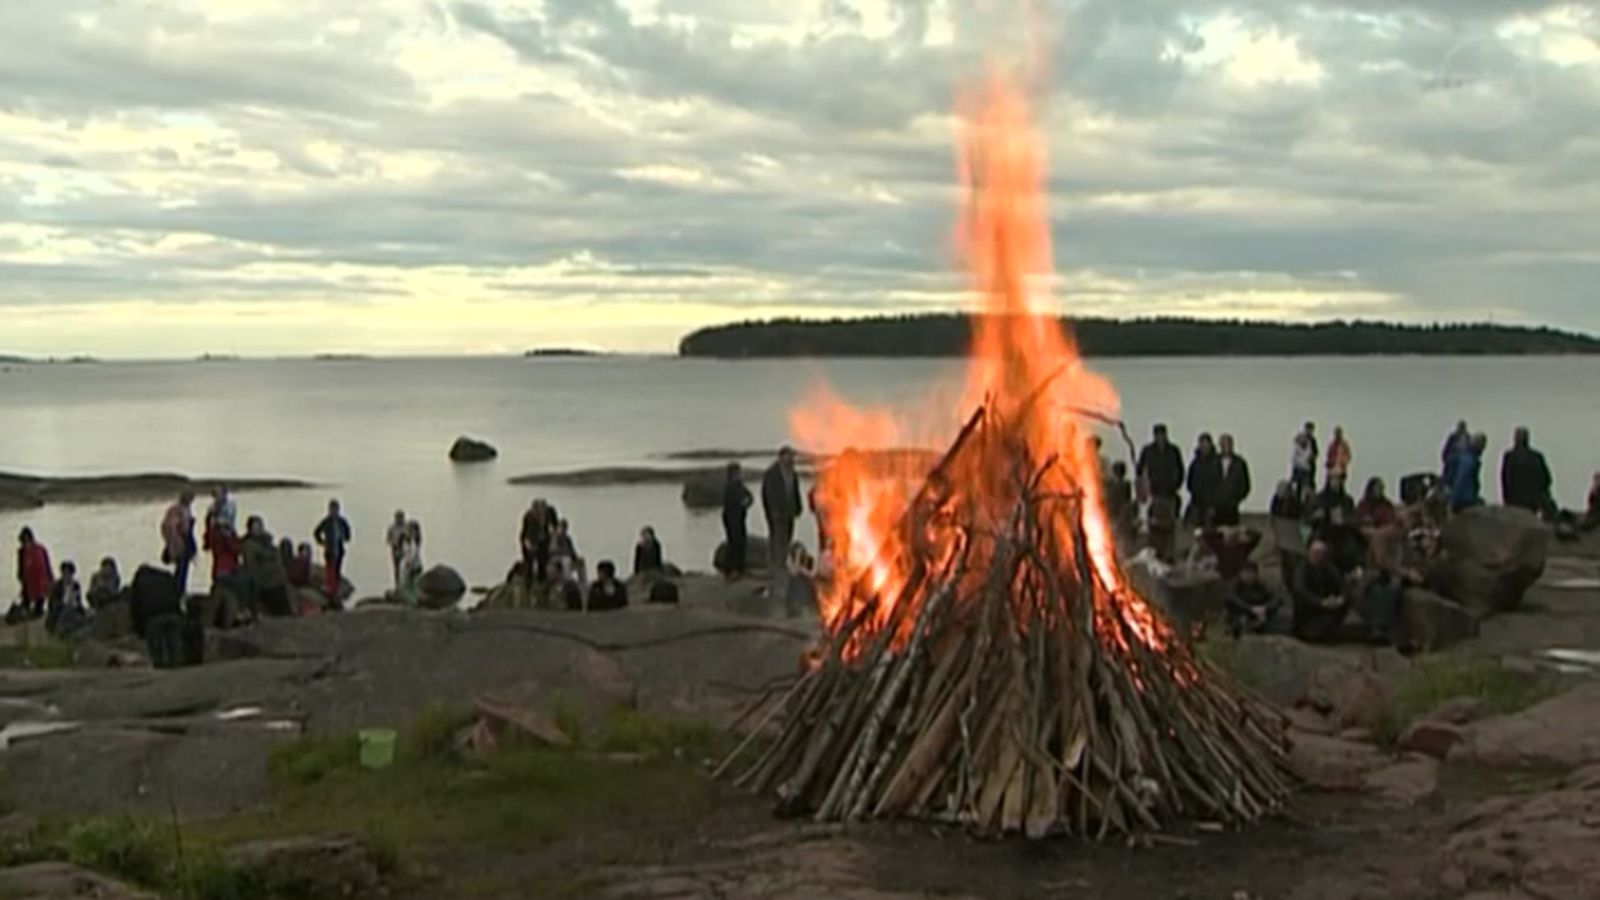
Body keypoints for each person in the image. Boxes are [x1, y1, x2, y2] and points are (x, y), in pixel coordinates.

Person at [1136, 424, 1185, 560]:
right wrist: (1144, 490)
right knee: (1155, 526)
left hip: (1170, 494)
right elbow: (1140, 470)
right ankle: (1156, 553)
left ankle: (1169, 555)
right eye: (1157, 435)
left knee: (1169, 526)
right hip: (1155, 494)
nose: (1160, 438)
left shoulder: (1173, 451)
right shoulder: (1148, 451)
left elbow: (1180, 470)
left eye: (1162, 435)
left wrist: (1176, 485)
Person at [762, 447, 803, 598]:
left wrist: (799, 507)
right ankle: (776, 567)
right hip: (777, 513)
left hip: (790, 512)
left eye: (792, 457)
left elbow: (795, 492)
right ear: (781, 457)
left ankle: (782, 564)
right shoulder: (772, 474)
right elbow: (768, 494)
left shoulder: (793, 474)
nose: (792, 460)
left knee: (787, 537)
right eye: (789, 456)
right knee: (777, 538)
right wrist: (772, 512)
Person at [1292, 540, 1350, 643]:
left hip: (1325, 601)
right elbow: (1299, 589)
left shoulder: (1328, 566)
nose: (1316, 556)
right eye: (1314, 552)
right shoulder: (1302, 567)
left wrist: (1340, 598)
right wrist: (1320, 602)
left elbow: (1341, 584)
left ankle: (1328, 632)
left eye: (1319, 553)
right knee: (1300, 600)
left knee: (1347, 601)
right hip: (1310, 603)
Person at [242, 516, 292, 618]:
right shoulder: (250, 545)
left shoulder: (267, 542)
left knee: (285, 605)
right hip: (266, 584)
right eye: (255, 528)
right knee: (278, 605)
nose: (258, 530)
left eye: (259, 526)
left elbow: (277, 557)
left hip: (277, 581)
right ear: (250, 530)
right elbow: (252, 567)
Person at [1500, 427, 1554, 518]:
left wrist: (1506, 500)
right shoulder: (1537, 457)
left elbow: (1505, 480)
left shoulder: (1509, 457)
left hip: (1514, 500)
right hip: (1533, 501)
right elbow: (1547, 479)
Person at [1225, 562, 1278, 637]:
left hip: (1259, 615)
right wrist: (1250, 609)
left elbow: (1274, 599)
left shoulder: (1261, 586)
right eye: (1245, 573)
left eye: (1251, 573)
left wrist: (1265, 608)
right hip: (1239, 614)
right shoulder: (1234, 585)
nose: (1248, 576)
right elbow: (1232, 599)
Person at [161, 491, 198, 595]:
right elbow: (169, 527)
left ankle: (181, 591)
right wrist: (174, 542)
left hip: (187, 539)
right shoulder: (175, 510)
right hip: (180, 539)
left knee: (184, 568)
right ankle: (177, 592)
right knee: (181, 568)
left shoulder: (187, 509)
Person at [721, 463, 754, 577]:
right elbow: (731, 501)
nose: (740, 475)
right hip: (731, 517)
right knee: (733, 542)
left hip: (740, 516)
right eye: (738, 473)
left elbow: (749, 496)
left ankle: (740, 568)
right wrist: (742, 502)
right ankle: (730, 569)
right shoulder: (730, 486)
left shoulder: (740, 485)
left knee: (741, 542)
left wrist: (747, 503)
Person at [1214, 434, 1251, 527]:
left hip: (1232, 507)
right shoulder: (1213, 462)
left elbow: (1245, 484)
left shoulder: (1239, 463)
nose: (1225, 447)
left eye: (1227, 444)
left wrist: (1236, 499)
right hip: (1215, 507)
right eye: (1222, 444)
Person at [1185, 433, 1221, 527]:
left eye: (1206, 445)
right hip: (1196, 503)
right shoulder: (1195, 463)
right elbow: (1190, 481)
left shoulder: (1217, 462)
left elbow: (1220, 483)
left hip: (1211, 504)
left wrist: (1215, 502)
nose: (1204, 447)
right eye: (1202, 445)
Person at [519, 499, 557, 587]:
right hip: (530, 539)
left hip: (544, 538)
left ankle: (543, 580)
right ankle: (528, 582)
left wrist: (553, 538)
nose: (540, 514)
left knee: (543, 560)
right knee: (529, 562)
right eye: (538, 513)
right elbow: (525, 535)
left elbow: (555, 526)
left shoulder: (550, 512)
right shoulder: (529, 517)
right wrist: (530, 545)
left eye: (541, 512)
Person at [15, 528, 53, 618]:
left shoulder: (40, 549)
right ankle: (27, 610)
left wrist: (50, 577)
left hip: (40, 578)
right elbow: (20, 565)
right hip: (28, 578)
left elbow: (47, 564)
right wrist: (20, 576)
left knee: (40, 597)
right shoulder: (22, 551)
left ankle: (37, 610)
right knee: (26, 597)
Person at [1449, 434, 1487, 513]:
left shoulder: (1460, 456)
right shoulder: (1470, 460)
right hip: (1464, 499)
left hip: (1457, 497)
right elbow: (1462, 480)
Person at [46, 561, 86, 635]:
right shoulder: (57, 586)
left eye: (69, 574)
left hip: (73, 609)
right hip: (59, 611)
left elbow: (78, 601)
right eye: (65, 573)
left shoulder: (76, 585)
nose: (67, 576)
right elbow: (52, 603)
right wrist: (65, 604)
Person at [1104, 461, 1136, 545]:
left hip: (1114, 513)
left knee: (1113, 536)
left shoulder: (1110, 484)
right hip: (1120, 513)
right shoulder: (1126, 484)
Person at [385, 511, 409, 590]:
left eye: (401, 517)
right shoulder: (392, 528)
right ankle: (397, 585)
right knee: (396, 568)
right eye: (398, 517)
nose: (399, 519)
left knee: (406, 568)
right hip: (395, 549)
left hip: (405, 549)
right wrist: (393, 543)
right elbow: (388, 539)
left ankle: (405, 585)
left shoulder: (406, 527)